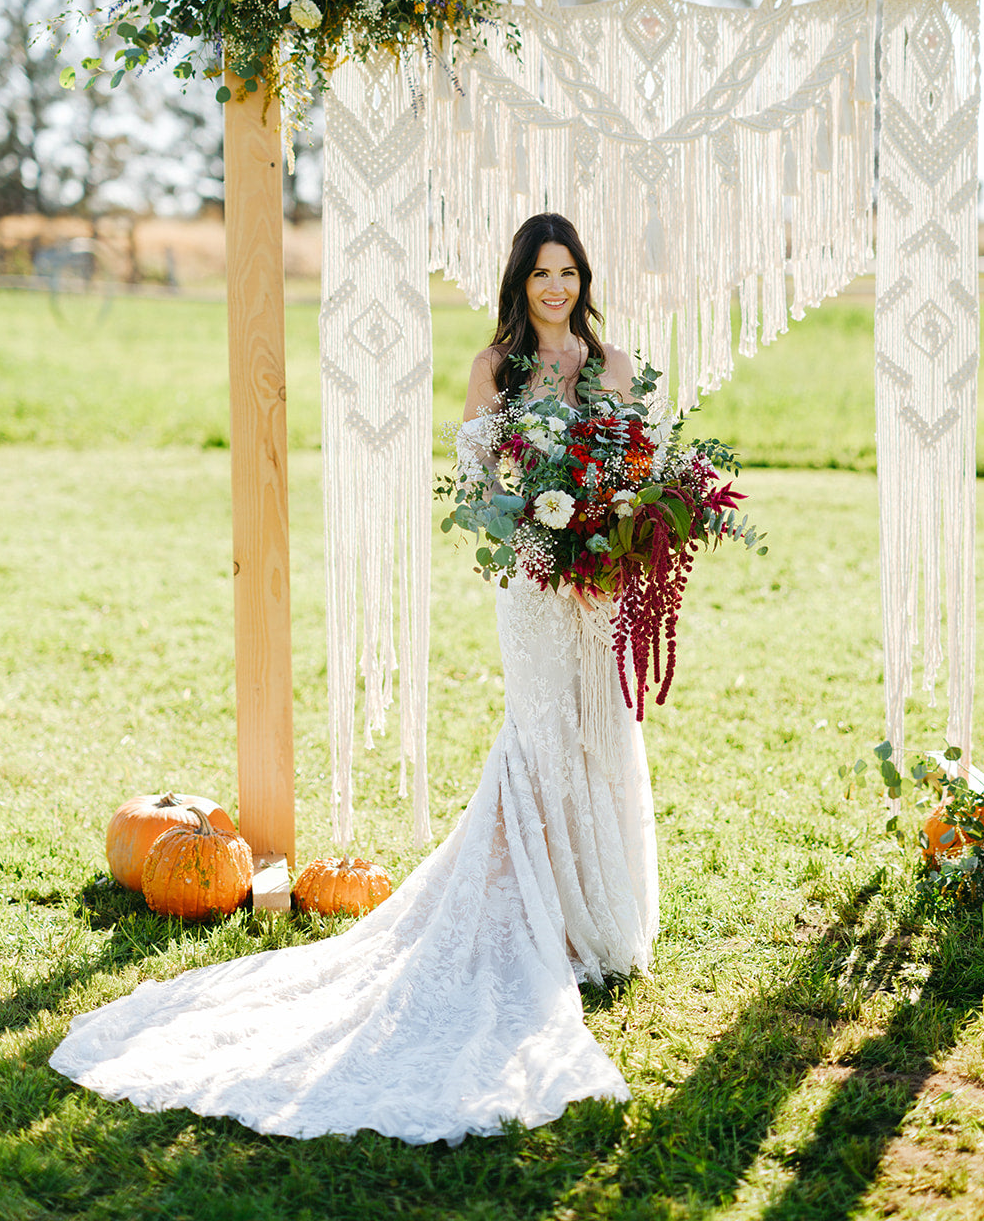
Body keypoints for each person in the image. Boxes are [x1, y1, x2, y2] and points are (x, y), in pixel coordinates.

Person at [49, 213, 658, 1144]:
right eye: (541, 272)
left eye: (569, 271)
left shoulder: (615, 368)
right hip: (535, 585)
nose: (555, 287)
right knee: (541, 731)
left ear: (584, 277)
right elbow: (475, 475)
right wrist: (539, 523)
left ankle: (600, 911)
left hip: (601, 586)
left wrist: (614, 532)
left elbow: (638, 472)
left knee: (602, 729)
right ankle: (547, 919)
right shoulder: (495, 369)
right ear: (518, 280)